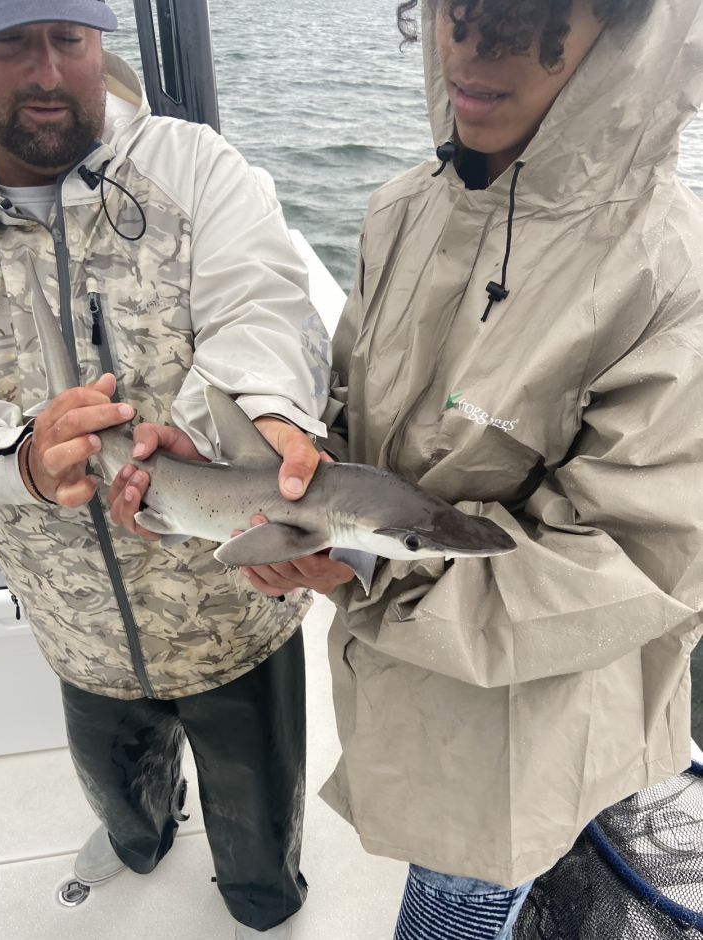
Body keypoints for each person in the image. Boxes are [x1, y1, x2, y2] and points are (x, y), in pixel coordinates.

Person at [237, 0, 703, 937]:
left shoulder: (669, 268)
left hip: (528, 728)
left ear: (622, 32)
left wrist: (363, 573)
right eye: (458, 10)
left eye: (530, 21)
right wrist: (284, 466)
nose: (472, 50)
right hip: (412, 687)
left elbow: (643, 560)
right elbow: (350, 403)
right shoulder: (402, 205)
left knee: (453, 909)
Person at [0, 2, 331, 937]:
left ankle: (262, 901)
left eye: (71, 39)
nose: (49, 72)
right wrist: (21, 454)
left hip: (235, 613)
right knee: (122, 806)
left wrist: (264, 410)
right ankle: (141, 841)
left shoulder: (197, 167)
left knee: (262, 842)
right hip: (72, 621)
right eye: (10, 41)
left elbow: (263, 307)